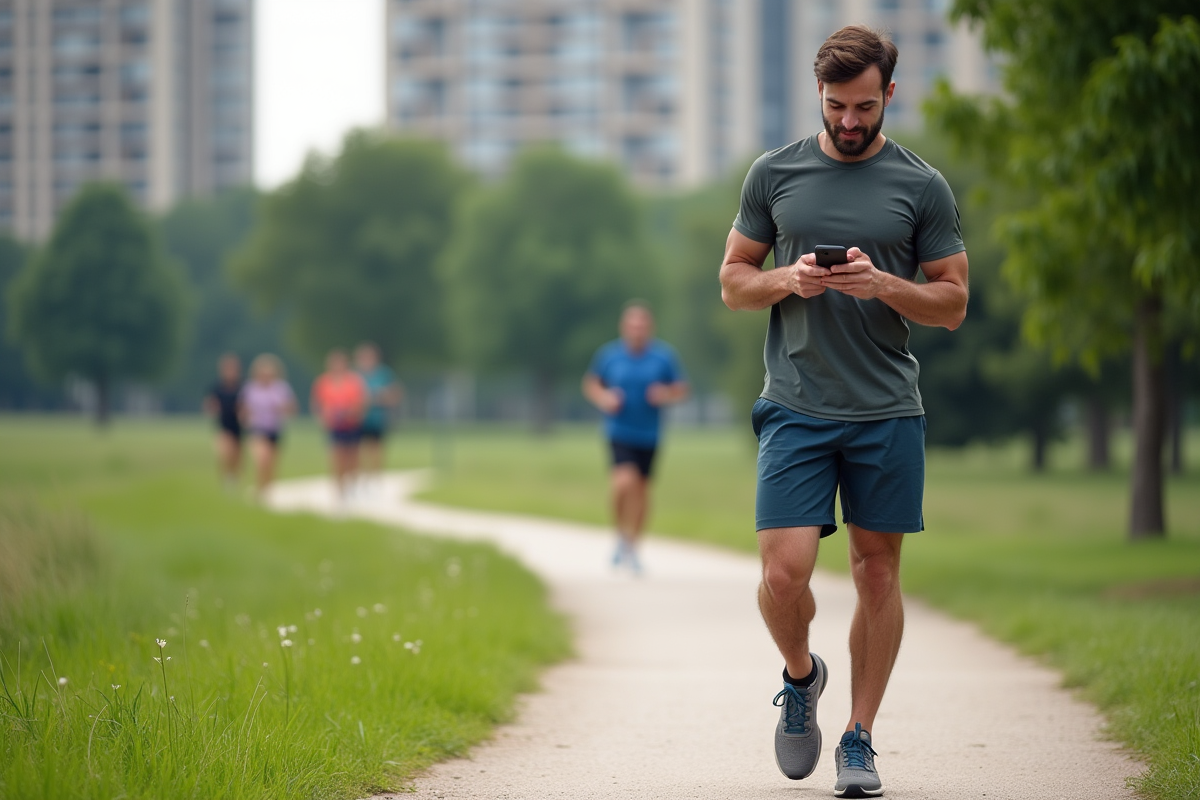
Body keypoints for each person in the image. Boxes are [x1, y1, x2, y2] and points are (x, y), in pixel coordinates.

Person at [719, 26, 969, 798]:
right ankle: (802, 676)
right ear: (818, 95)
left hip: (886, 409)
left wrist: (884, 285)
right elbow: (733, 281)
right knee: (782, 573)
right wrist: (786, 280)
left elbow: (953, 303)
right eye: (836, 106)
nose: (849, 121)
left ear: (888, 94)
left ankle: (859, 738)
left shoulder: (922, 186)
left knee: (877, 571)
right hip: (794, 403)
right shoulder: (775, 174)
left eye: (864, 106)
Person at [582, 302, 689, 574]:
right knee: (623, 482)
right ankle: (620, 534)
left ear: (650, 328)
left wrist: (664, 394)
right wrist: (605, 398)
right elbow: (591, 383)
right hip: (619, 430)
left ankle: (633, 546)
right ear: (624, 328)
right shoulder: (610, 356)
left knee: (641, 490)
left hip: (650, 434)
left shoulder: (663, 357)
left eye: (642, 326)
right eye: (632, 326)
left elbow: (681, 389)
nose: (637, 331)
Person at [310, 348, 369, 501]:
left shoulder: (354, 381)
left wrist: (353, 412)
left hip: (352, 424)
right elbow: (317, 403)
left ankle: (351, 484)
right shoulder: (323, 382)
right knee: (336, 458)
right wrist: (321, 418)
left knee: (352, 458)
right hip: (334, 425)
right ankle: (339, 490)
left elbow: (362, 402)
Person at [240, 353, 297, 500]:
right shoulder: (251, 388)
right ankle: (260, 490)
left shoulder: (281, 388)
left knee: (271, 463)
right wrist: (245, 418)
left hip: (274, 429)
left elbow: (292, 408)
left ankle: (268, 490)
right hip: (257, 428)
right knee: (262, 459)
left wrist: (282, 409)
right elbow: (243, 408)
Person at [354, 341, 403, 491]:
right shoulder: (355, 375)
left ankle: (375, 479)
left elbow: (395, 395)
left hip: (377, 418)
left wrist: (379, 398)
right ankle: (360, 479)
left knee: (376, 450)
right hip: (359, 418)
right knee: (357, 451)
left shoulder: (384, 374)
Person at [203, 353, 244, 491]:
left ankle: (234, 477)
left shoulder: (242, 387)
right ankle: (226, 478)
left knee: (236, 455)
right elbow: (209, 404)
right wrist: (212, 409)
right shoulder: (217, 387)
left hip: (238, 425)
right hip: (223, 424)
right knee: (225, 451)